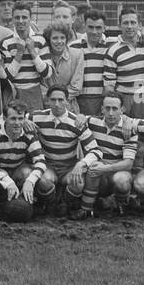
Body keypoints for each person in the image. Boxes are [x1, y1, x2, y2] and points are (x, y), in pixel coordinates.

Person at [0, 100, 49, 222]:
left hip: (17, 172)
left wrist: (30, 182)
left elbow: (41, 161)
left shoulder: (29, 134)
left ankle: (34, 205)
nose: (17, 123)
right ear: (4, 118)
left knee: (28, 173)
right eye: (13, 119)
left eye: (20, 119)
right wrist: (7, 181)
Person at [70, 93, 137, 220]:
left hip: (117, 170)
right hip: (96, 172)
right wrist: (80, 116)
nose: (111, 113)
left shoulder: (128, 129)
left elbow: (128, 163)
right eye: (107, 108)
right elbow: (78, 118)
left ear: (122, 109)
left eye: (115, 109)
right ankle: (85, 209)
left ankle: (122, 205)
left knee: (121, 181)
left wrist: (105, 168)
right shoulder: (93, 122)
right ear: (102, 109)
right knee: (91, 169)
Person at [31, 85, 96, 215]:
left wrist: (81, 163)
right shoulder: (36, 117)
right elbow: (15, 118)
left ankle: (65, 203)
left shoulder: (76, 122)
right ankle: (50, 203)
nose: (57, 104)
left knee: (77, 183)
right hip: (48, 164)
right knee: (43, 181)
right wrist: (24, 122)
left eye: (61, 100)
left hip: (68, 166)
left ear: (67, 101)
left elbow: (95, 150)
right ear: (47, 101)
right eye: (53, 100)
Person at [104, 5, 144, 118]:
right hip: (124, 96)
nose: (129, 26)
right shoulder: (113, 51)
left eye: (133, 22)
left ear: (139, 25)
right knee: (123, 130)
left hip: (143, 95)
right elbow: (109, 85)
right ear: (119, 26)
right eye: (125, 23)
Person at [0, 1, 50, 111]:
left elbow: (47, 73)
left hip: (35, 92)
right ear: (12, 19)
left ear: (30, 18)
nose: (20, 21)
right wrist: (19, 53)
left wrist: (32, 51)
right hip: (14, 92)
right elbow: (8, 76)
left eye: (24, 17)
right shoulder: (6, 42)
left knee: (34, 126)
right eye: (17, 17)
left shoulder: (40, 40)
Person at [71, 7, 112, 116]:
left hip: (103, 99)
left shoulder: (112, 46)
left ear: (104, 28)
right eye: (90, 27)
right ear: (84, 26)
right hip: (80, 99)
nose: (94, 32)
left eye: (98, 28)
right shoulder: (73, 46)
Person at [40, 23, 84, 110]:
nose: (59, 41)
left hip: (69, 106)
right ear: (49, 39)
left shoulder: (77, 54)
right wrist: (51, 101)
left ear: (67, 39)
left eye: (62, 38)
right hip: (46, 106)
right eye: (55, 38)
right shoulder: (42, 54)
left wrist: (60, 100)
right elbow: (41, 83)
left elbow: (76, 86)